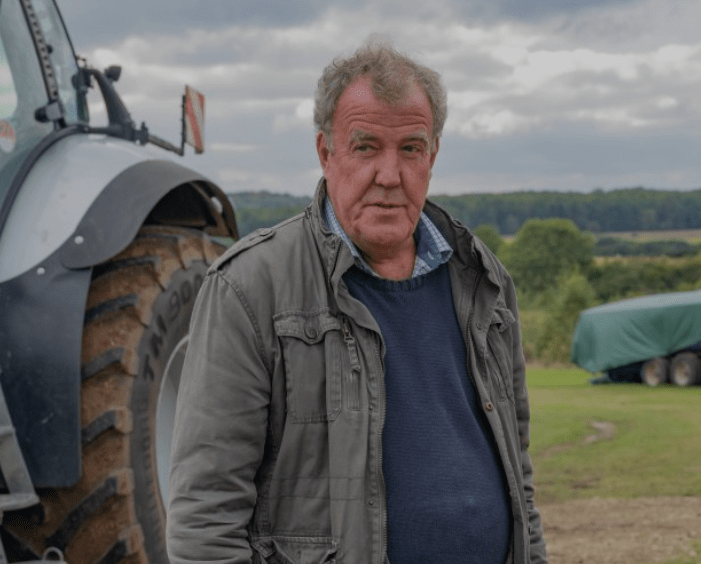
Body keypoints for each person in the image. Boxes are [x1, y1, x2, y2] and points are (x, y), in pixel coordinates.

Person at [166, 39, 547, 564]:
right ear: (326, 153)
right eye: (366, 147)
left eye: (410, 149)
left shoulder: (484, 281)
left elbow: (518, 477)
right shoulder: (249, 287)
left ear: (432, 156)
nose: (389, 175)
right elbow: (205, 520)